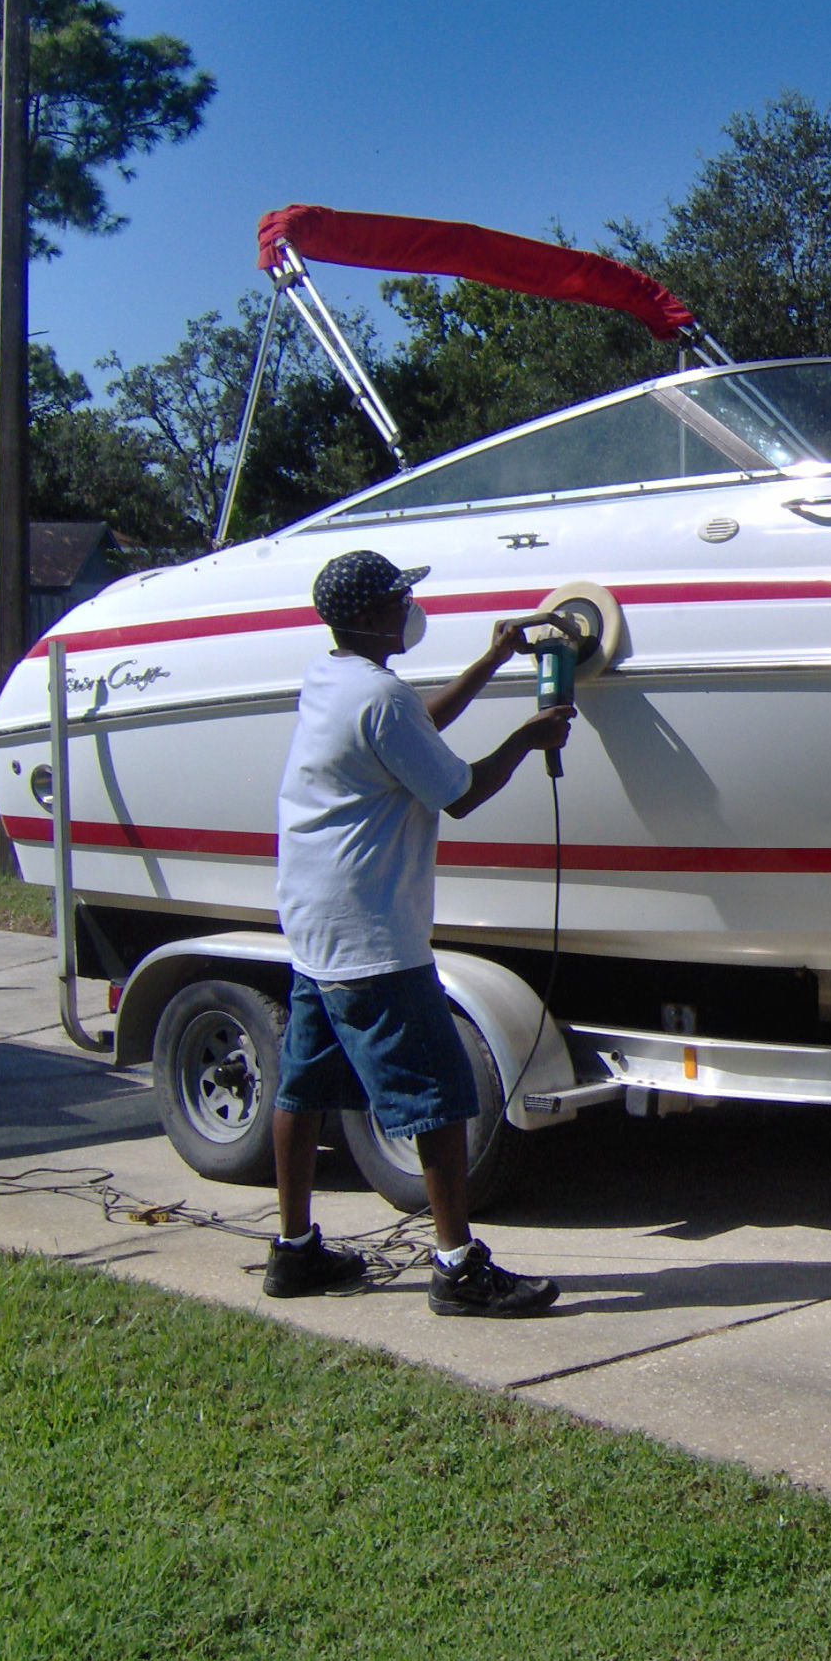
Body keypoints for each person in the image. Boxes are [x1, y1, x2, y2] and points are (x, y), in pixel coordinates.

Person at [260, 548, 575, 1316]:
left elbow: (413, 727)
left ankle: (294, 1252)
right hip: (373, 936)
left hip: (314, 926)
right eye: (402, 597)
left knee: (303, 1089)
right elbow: (459, 791)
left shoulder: (332, 679)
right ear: (371, 614)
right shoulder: (381, 699)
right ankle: (457, 1266)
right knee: (440, 1095)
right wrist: (528, 739)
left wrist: (491, 659)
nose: (412, 606)